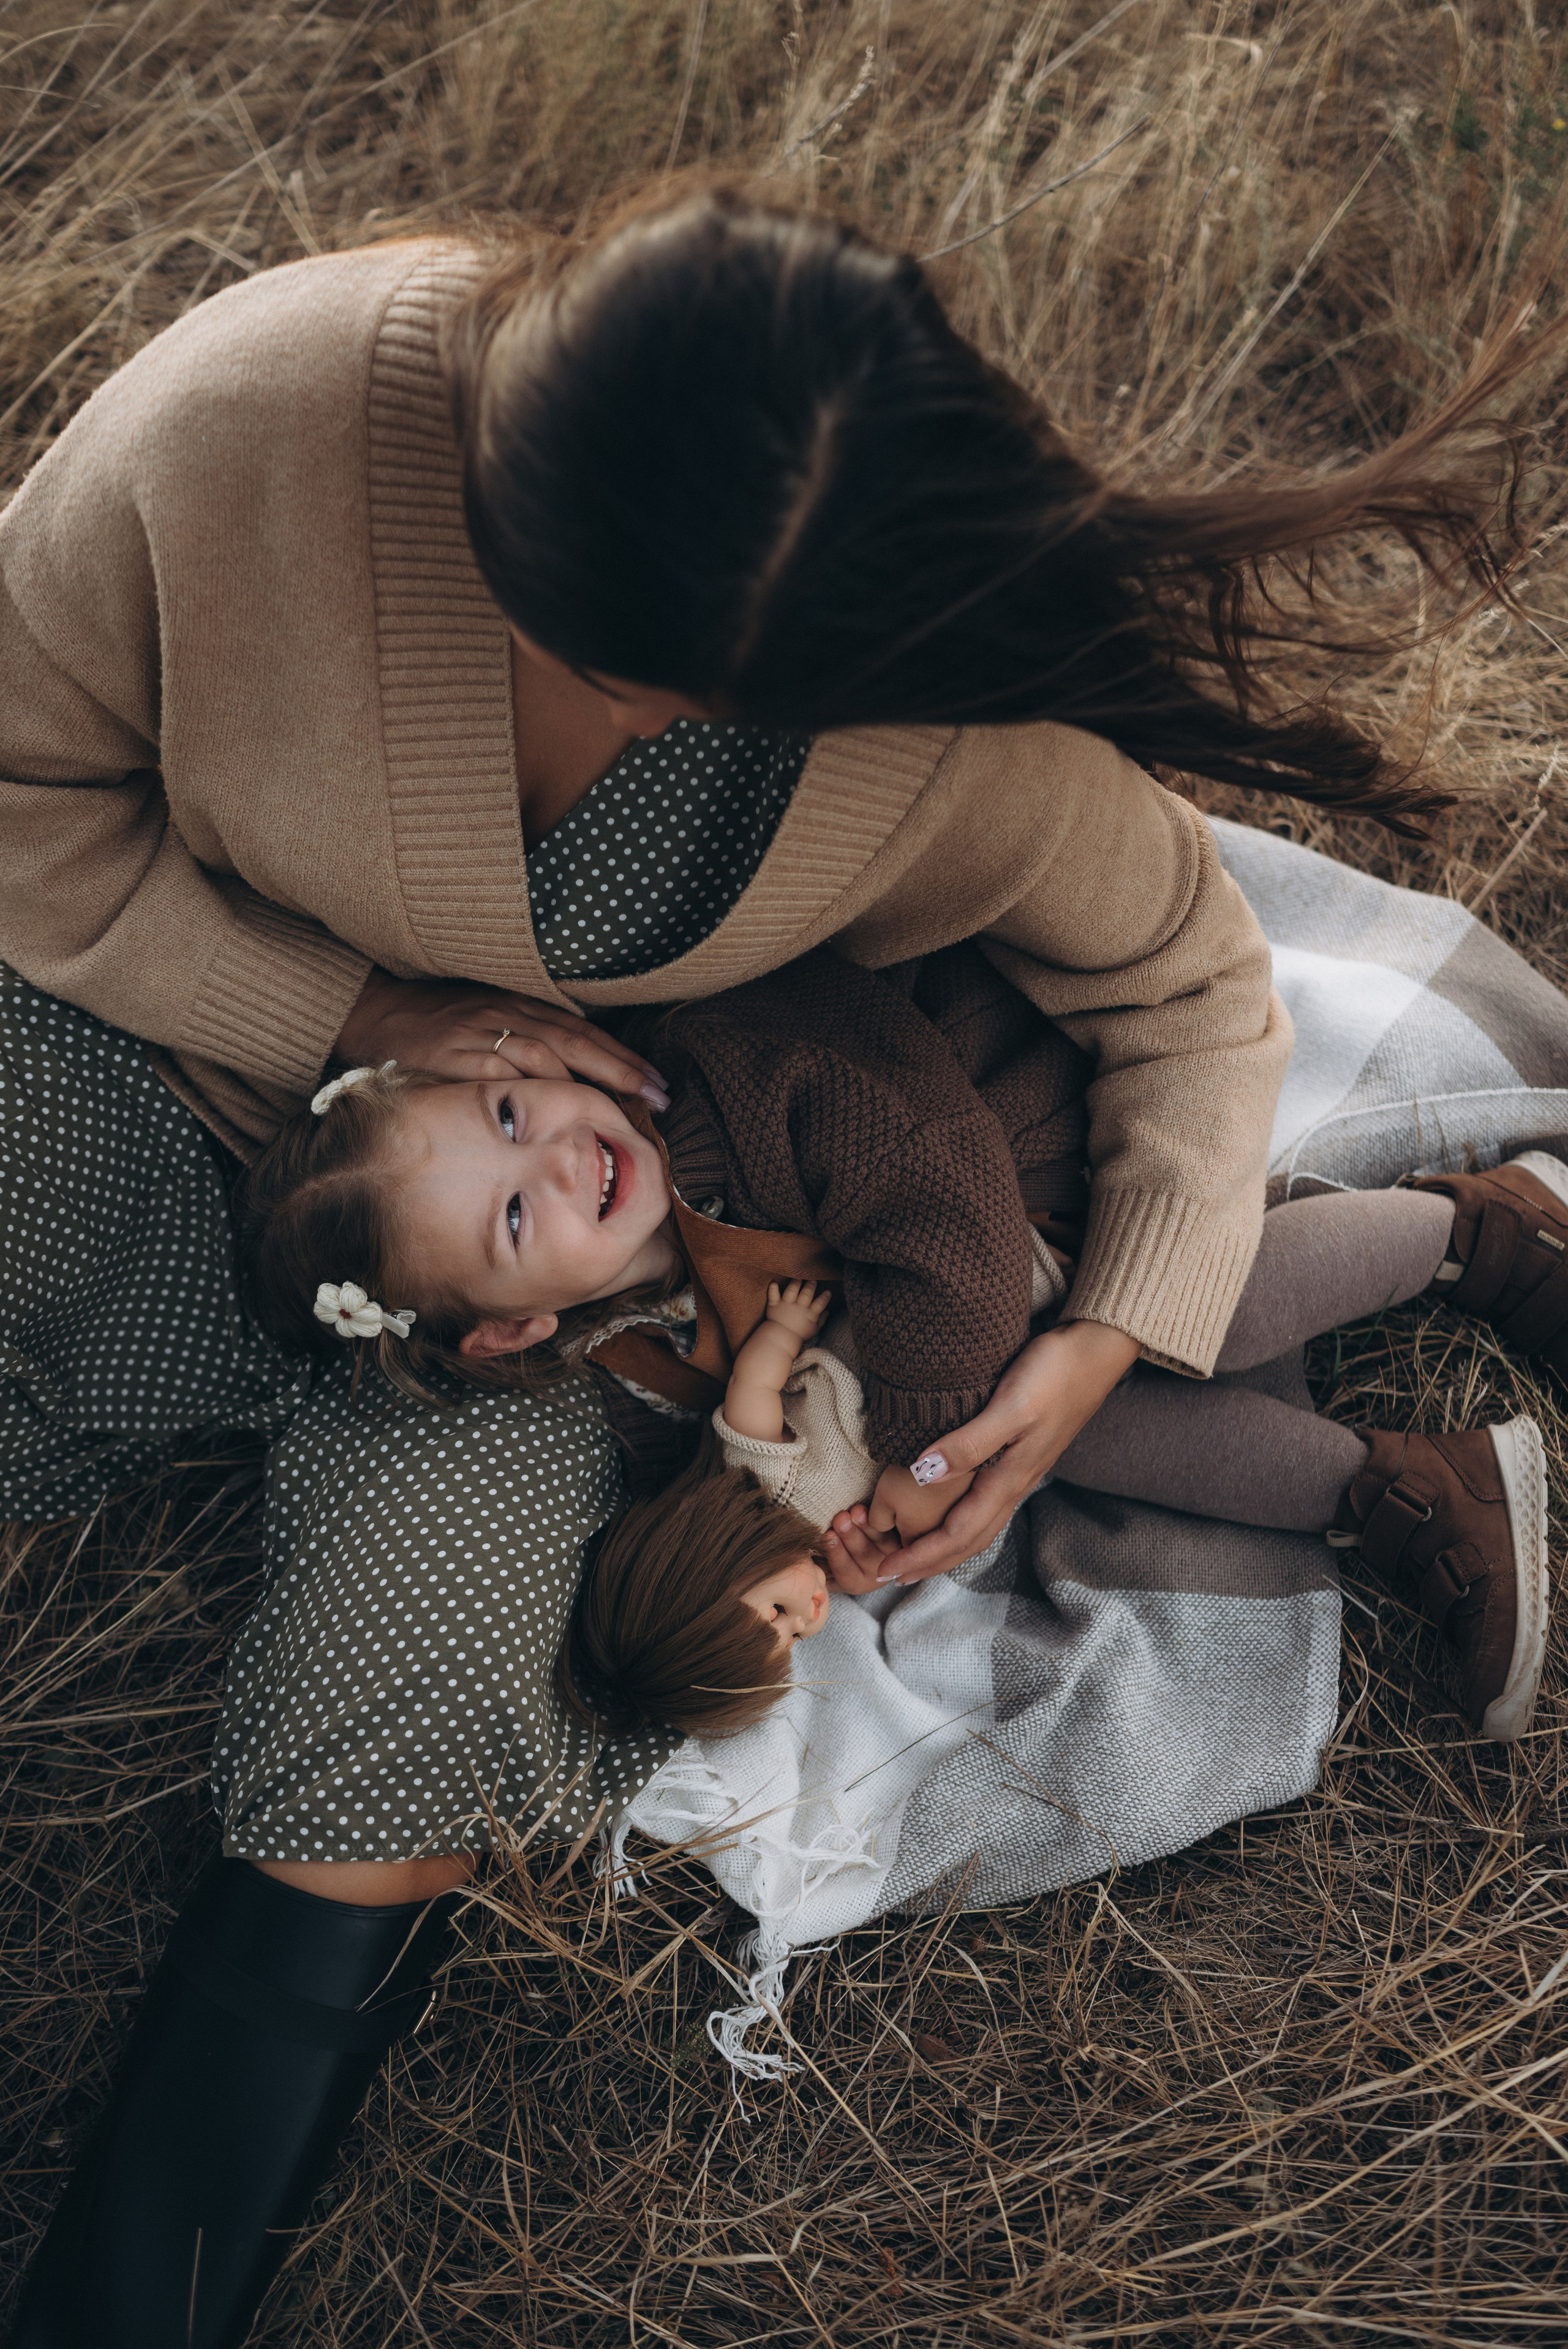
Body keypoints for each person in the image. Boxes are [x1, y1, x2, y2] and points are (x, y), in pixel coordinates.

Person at [1, 181, 1545, 2347]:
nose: (657, 743)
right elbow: (24, 789)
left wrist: (1102, 1339)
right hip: (164, 1055)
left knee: (412, 1701)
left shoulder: (932, 704)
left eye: (735, 706)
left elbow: (1191, 986)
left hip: (556, 1318)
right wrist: (349, 1012)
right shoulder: (244, 435)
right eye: (629, 681)